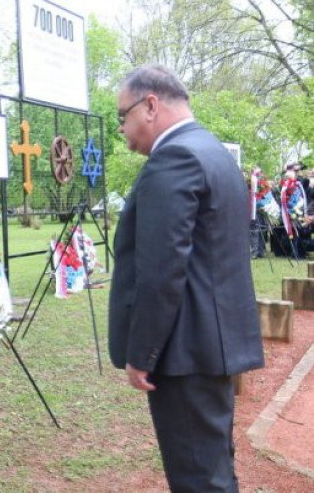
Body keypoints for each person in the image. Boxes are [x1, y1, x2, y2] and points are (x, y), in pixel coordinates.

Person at [108, 64, 264, 492]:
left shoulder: (173, 158)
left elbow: (161, 271)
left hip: (183, 352)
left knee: (198, 478)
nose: (122, 128)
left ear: (151, 105)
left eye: (124, 115)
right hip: (213, 344)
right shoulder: (212, 151)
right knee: (212, 467)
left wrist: (142, 353)